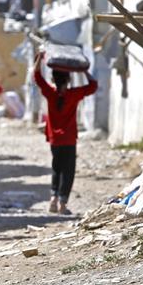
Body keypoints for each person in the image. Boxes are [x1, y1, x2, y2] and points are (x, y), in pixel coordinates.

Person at [33, 51, 98, 214]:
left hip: (55, 139)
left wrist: (39, 59)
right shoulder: (73, 95)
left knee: (56, 168)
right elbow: (93, 86)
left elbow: (37, 77)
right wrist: (83, 71)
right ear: (69, 79)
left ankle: (53, 200)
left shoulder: (50, 93)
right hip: (69, 139)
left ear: (53, 79)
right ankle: (62, 204)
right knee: (68, 171)